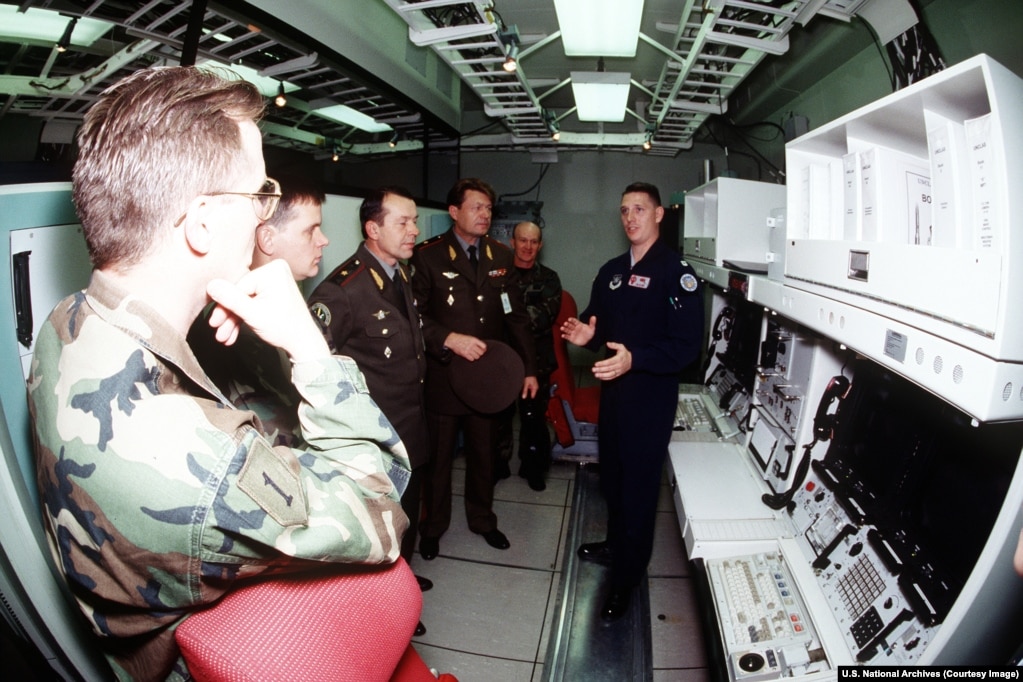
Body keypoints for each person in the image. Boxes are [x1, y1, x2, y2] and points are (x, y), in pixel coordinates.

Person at [27, 66, 411, 681]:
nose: (265, 210)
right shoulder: (201, 471)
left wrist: (202, 318)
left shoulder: (69, 319)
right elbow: (381, 507)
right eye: (259, 191)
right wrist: (308, 348)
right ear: (203, 222)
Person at [561, 182, 703, 622]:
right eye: (624, 210)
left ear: (659, 214)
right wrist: (588, 335)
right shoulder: (611, 271)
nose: (631, 218)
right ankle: (616, 546)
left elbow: (686, 348)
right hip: (614, 396)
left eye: (640, 209)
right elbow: (596, 324)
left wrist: (634, 360)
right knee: (614, 482)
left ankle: (626, 578)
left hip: (649, 400)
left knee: (640, 492)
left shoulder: (677, 273)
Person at [307, 186, 432, 635]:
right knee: (378, 534)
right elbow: (312, 370)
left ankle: (403, 587)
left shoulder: (402, 275)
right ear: (373, 228)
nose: (414, 230)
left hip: (410, 428)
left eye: (414, 220)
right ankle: (384, 615)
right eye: (403, 221)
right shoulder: (341, 290)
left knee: (406, 523)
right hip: (374, 445)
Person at [410, 178, 537, 558]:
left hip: (487, 380)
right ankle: (432, 527)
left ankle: (483, 519)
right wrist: (448, 338)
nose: (485, 215)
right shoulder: (427, 256)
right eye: (476, 207)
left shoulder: (500, 257)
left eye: (488, 208)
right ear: (454, 212)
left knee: (485, 455)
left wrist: (529, 369)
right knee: (439, 459)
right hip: (444, 377)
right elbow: (414, 316)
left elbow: (515, 318)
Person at [188, 173, 328, 446]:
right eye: (310, 230)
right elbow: (279, 440)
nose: (323, 240)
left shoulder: (284, 308)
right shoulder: (239, 327)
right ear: (267, 239)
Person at [496, 221, 562, 491]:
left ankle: (533, 467)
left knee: (533, 418)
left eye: (533, 241)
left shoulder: (549, 278)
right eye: (522, 240)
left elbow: (543, 317)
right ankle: (498, 465)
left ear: (540, 245)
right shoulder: (498, 276)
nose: (528, 246)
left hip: (536, 360)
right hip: (501, 358)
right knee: (499, 416)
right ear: (512, 242)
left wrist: (510, 320)